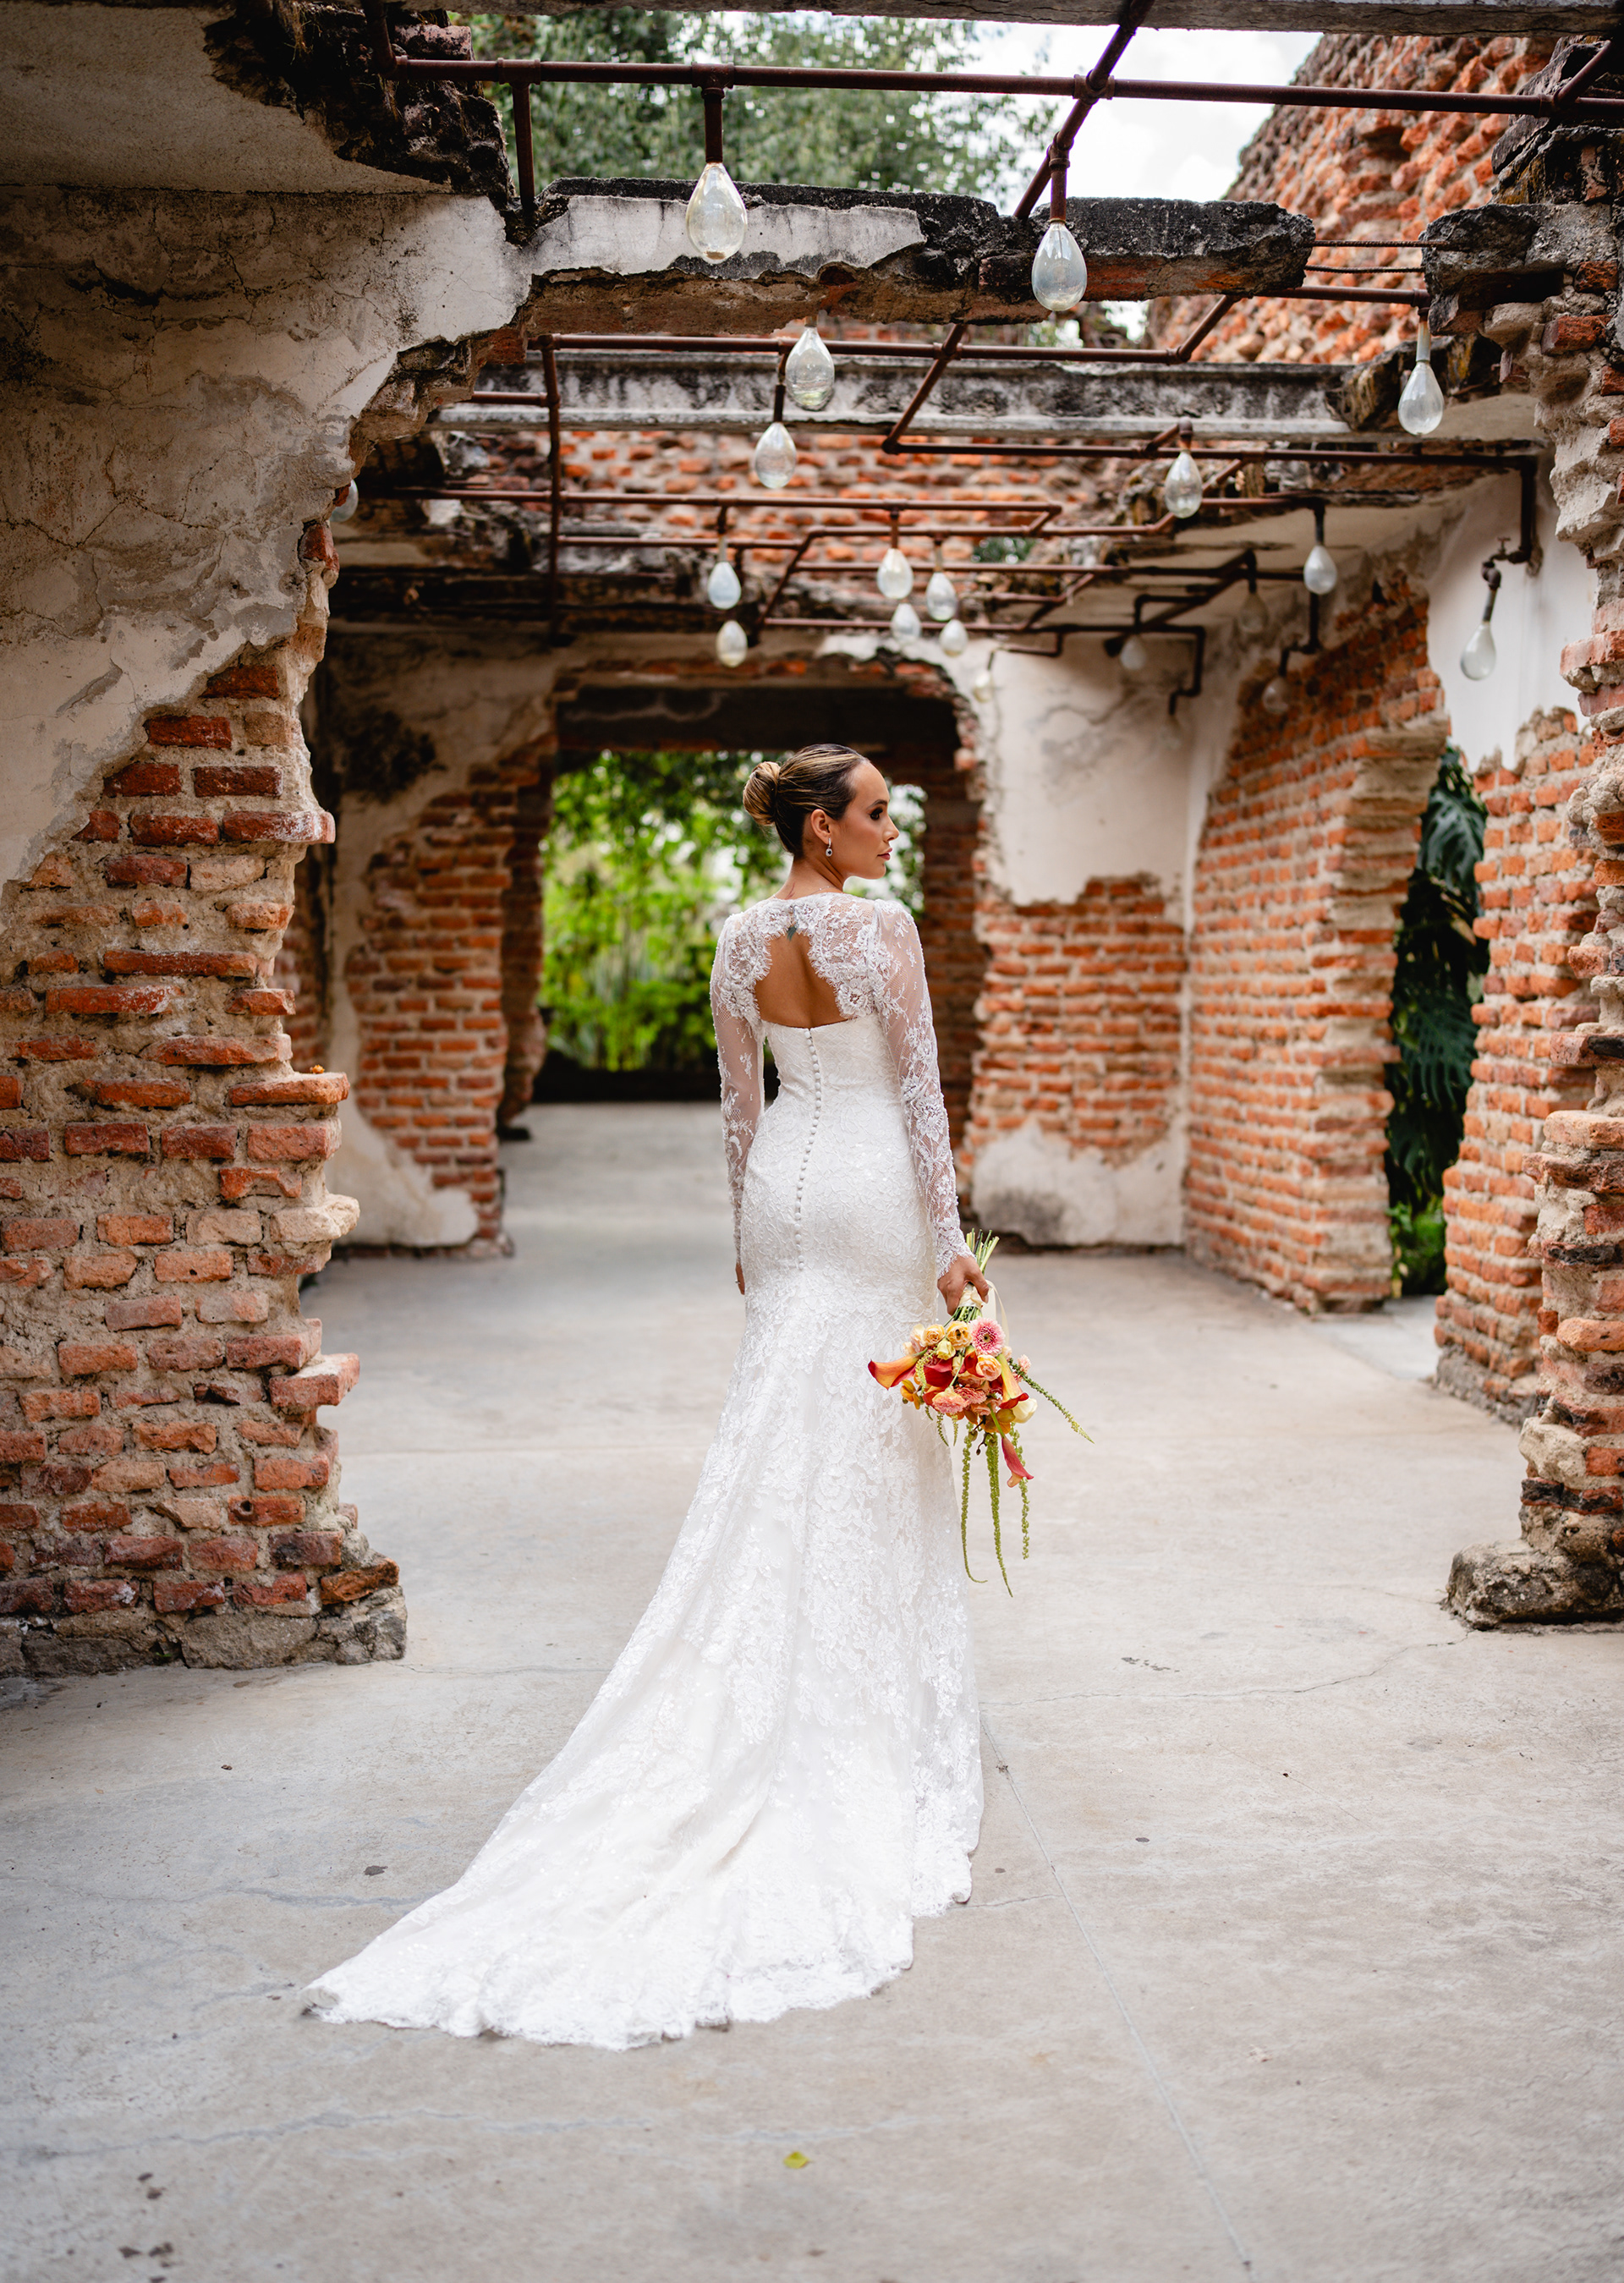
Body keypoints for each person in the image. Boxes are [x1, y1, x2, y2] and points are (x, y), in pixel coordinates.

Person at [311, 744, 989, 2048]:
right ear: (822, 827)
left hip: (788, 1191)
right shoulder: (878, 928)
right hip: (868, 1196)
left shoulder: (740, 938)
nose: (893, 834)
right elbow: (917, 1095)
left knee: (787, 1427)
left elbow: (741, 1106)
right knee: (869, 1438)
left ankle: (764, 1653)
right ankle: (857, 1717)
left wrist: (749, 1231)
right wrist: (951, 1243)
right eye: (878, 816)